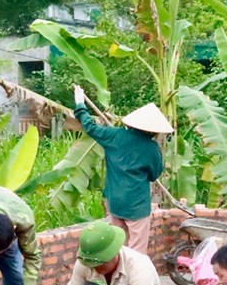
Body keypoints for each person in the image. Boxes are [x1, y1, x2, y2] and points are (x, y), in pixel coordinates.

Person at [73, 85, 171, 254]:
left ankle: (120, 270)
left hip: (115, 201)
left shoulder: (114, 135)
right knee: (137, 252)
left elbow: (90, 127)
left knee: (118, 247)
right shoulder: (152, 148)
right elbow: (154, 174)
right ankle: (131, 272)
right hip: (137, 205)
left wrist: (80, 104)